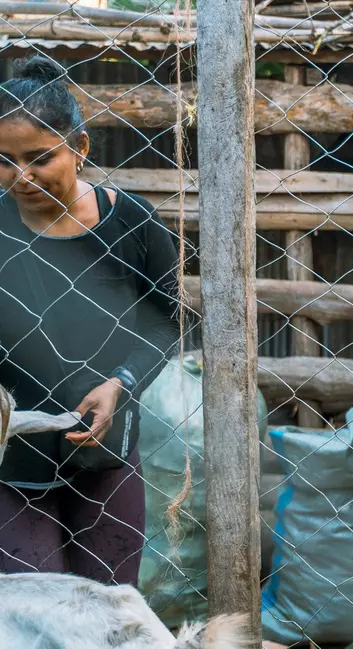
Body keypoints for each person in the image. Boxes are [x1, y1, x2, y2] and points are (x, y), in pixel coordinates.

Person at [0, 56, 181, 584]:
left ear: (79, 148)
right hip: (12, 457)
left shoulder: (132, 222)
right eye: (4, 161)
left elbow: (165, 326)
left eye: (40, 157)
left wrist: (122, 383)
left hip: (106, 451)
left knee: (108, 607)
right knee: (35, 611)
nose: (21, 177)